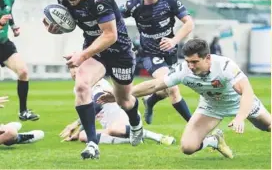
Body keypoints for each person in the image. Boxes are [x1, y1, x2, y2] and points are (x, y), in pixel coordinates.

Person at [99, 39, 271, 158]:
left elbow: (247, 92)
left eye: (195, 62)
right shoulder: (184, 69)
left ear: (208, 58)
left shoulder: (225, 66)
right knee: (187, 147)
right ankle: (214, 141)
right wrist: (120, 95)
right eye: (188, 61)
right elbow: (154, 85)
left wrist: (240, 117)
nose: (190, 66)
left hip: (240, 104)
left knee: (268, 126)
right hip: (211, 107)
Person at [42, 0, 143, 160]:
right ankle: (92, 143)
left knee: (124, 100)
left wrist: (81, 55)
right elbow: (71, 22)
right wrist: (55, 28)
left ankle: (136, 123)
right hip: (95, 49)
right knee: (81, 85)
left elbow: (111, 35)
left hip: (119, 51)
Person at [120, 0, 194, 125]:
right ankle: (195, 125)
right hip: (149, 53)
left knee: (163, 90)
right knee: (172, 88)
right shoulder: (133, 5)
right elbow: (112, 17)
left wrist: (174, 41)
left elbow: (189, 23)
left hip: (170, 52)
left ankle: (150, 102)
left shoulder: (168, 0)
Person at [60, 78, 175, 146]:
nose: (74, 72)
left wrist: (75, 124)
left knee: (115, 129)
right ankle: (129, 140)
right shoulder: (78, 88)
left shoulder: (98, 83)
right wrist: (78, 131)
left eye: (76, 67)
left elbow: (98, 105)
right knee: (83, 136)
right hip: (109, 125)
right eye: (71, 68)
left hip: (125, 117)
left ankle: (160, 137)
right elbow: (90, 113)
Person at [0, 0, 39, 121]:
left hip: (4, 44)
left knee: (23, 71)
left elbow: (9, 13)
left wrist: (13, 26)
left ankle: (23, 111)